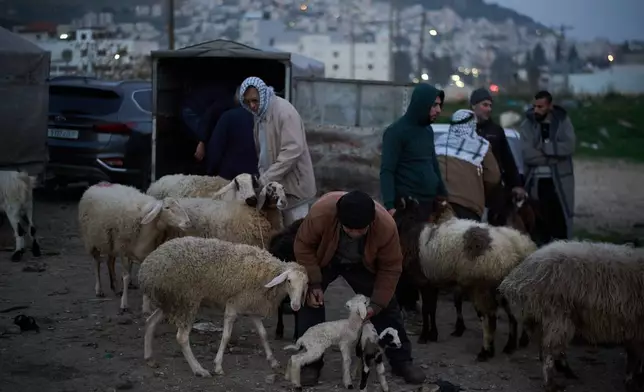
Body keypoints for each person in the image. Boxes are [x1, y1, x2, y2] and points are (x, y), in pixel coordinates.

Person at [293, 190, 426, 386]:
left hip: (362, 264)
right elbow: (303, 245)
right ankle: (310, 362)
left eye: (361, 230)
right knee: (309, 300)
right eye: (349, 229)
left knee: (388, 306)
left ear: (371, 223)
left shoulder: (385, 226)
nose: (355, 234)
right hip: (326, 259)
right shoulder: (321, 214)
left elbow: (391, 268)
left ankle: (402, 361)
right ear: (339, 220)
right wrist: (314, 283)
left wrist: (377, 304)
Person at [239, 76, 316, 225]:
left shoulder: (284, 112)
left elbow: (292, 150)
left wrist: (266, 178)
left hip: (294, 189)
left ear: (262, 94)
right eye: (248, 102)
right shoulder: (259, 116)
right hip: (276, 190)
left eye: (255, 100)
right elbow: (262, 153)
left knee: (296, 234)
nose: (252, 106)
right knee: (280, 235)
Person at [380, 83, 448, 220]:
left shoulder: (427, 130)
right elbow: (387, 171)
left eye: (440, 105)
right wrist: (390, 206)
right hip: (408, 207)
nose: (439, 110)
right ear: (422, 104)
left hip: (429, 205)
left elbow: (433, 164)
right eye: (434, 105)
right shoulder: (396, 132)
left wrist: (442, 194)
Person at [519, 90, 576, 242]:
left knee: (560, 225)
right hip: (535, 184)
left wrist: (545, 148)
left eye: (540, 107)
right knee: (537, 225)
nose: (536, 110)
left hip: (559, 182)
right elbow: (527, 154)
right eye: (535, 106)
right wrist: (555, 157)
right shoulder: (527, 124)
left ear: (550, 106)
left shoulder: (562, 122)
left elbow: (569, 146)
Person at [469, 88, 525, 223]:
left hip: (494, 191)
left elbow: (507, 160)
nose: (489, 109)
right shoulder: (464, 130)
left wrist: (516, 184)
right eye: (484, 105)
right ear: (473, 106)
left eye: (490, 105)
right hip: (470, 189)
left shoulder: (496, 131)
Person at [434, 109, 501, 221]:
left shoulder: (439, 141)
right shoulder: (481, 146)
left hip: (440, 204)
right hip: (469, 206)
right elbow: (493, 177)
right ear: (472, 125)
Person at [205, 86, 258, 180]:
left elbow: (215, 147)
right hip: (257, 177)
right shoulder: (264, 118)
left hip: (230, 178)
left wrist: (211, 171)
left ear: (237, 98)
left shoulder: (227, 117)